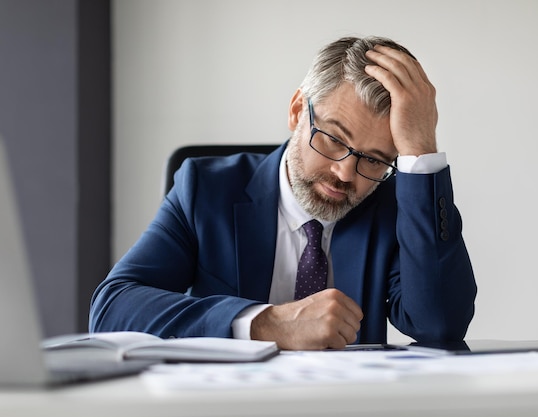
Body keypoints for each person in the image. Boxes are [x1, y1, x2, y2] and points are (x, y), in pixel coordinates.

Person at [89, 36, 477, 350]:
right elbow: (112, 309)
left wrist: (421, 151)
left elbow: (439, 325)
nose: (344, 172)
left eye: (374, 160)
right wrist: (267, 323)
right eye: (332, 138)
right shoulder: (204, 189)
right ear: (296, 111)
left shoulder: (394, 205)